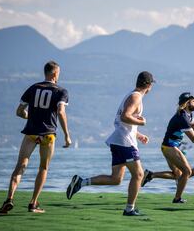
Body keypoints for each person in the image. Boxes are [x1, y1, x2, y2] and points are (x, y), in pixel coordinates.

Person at [66, 71, 154, 216]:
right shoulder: (136, 97)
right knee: (138, 175)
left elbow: (122, 121)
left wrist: (138, 134)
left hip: (120, 139)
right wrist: (141, 122)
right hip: (125, 142)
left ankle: (81, 182)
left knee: (116, 179)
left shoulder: (132, 95)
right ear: (149, 85)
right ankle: (129, 209)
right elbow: (125, 116)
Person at [0, 61, 71, 214]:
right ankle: (33, 204)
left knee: (20, 165)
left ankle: (9, 199)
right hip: (48, 135)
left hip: (31, 133)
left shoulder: (32, 88)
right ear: (55, 74)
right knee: (43, 168)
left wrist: (29, 117)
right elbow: (61, 112)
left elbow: (19, 112)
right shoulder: (61, 91)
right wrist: (67, 135)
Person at [141, 92, 194, 203]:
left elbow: (192, 125)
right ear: (187, 103)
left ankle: (151, 175)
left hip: (168, 147)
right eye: (193, 101)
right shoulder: (182, 117)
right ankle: (177, 198)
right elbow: (193, 139)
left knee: (177, 174)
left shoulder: (187, 115)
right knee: (187, 172)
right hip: (170, 147)